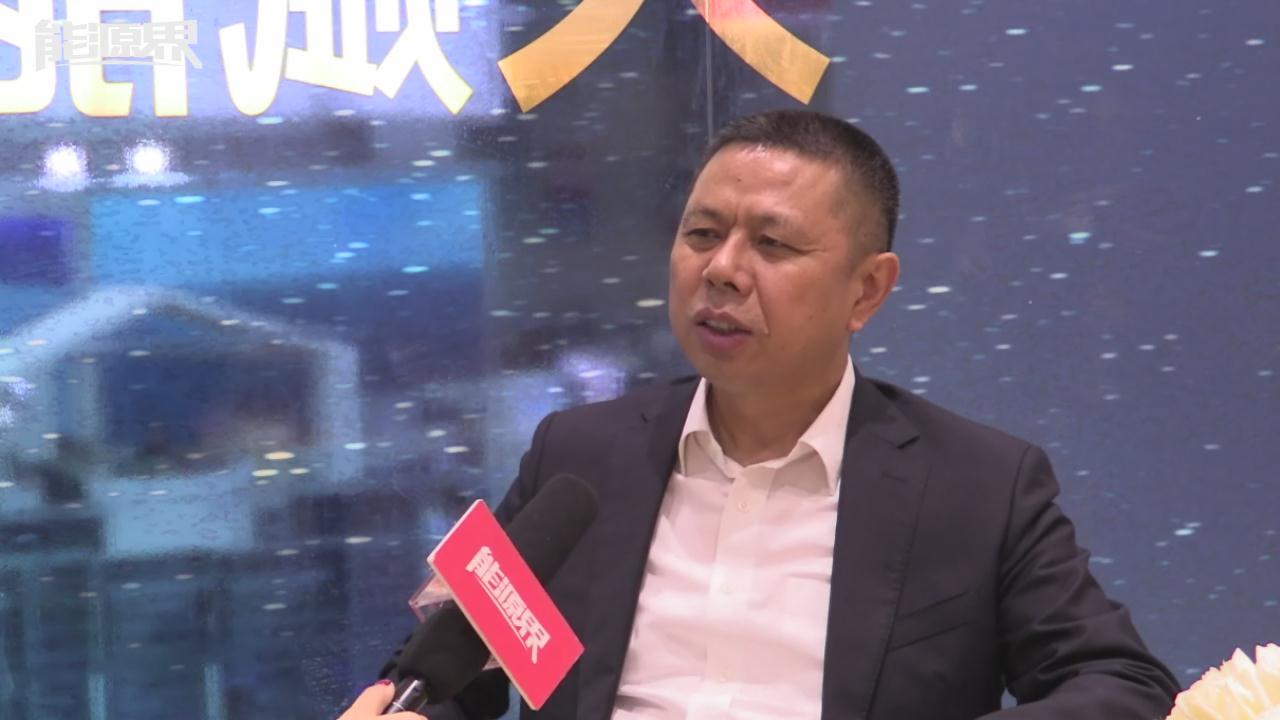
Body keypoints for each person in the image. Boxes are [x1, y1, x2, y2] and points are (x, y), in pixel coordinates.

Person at [343, 110, 1179, 719]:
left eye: (772, 245)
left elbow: (1122, 685)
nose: (723, 270)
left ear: (867, 290)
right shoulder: (581, 455)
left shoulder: (977, 486)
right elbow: (456, 668)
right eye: (702, 234)